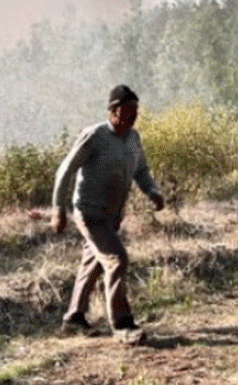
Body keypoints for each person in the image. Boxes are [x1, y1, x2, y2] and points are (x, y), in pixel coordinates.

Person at [52, 84, 165, 344]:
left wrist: (152, 191)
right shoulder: (95, 136)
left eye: (136, 110)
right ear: (114, 111)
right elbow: (65, 170)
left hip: (113, 215)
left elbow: (141, 170)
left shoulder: (134, 138)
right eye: (129, 110)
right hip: (89, 213)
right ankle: (123, 324)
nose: (135, 115)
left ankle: (74, 318)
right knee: (117, 259)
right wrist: (58, 209)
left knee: (91, 264)